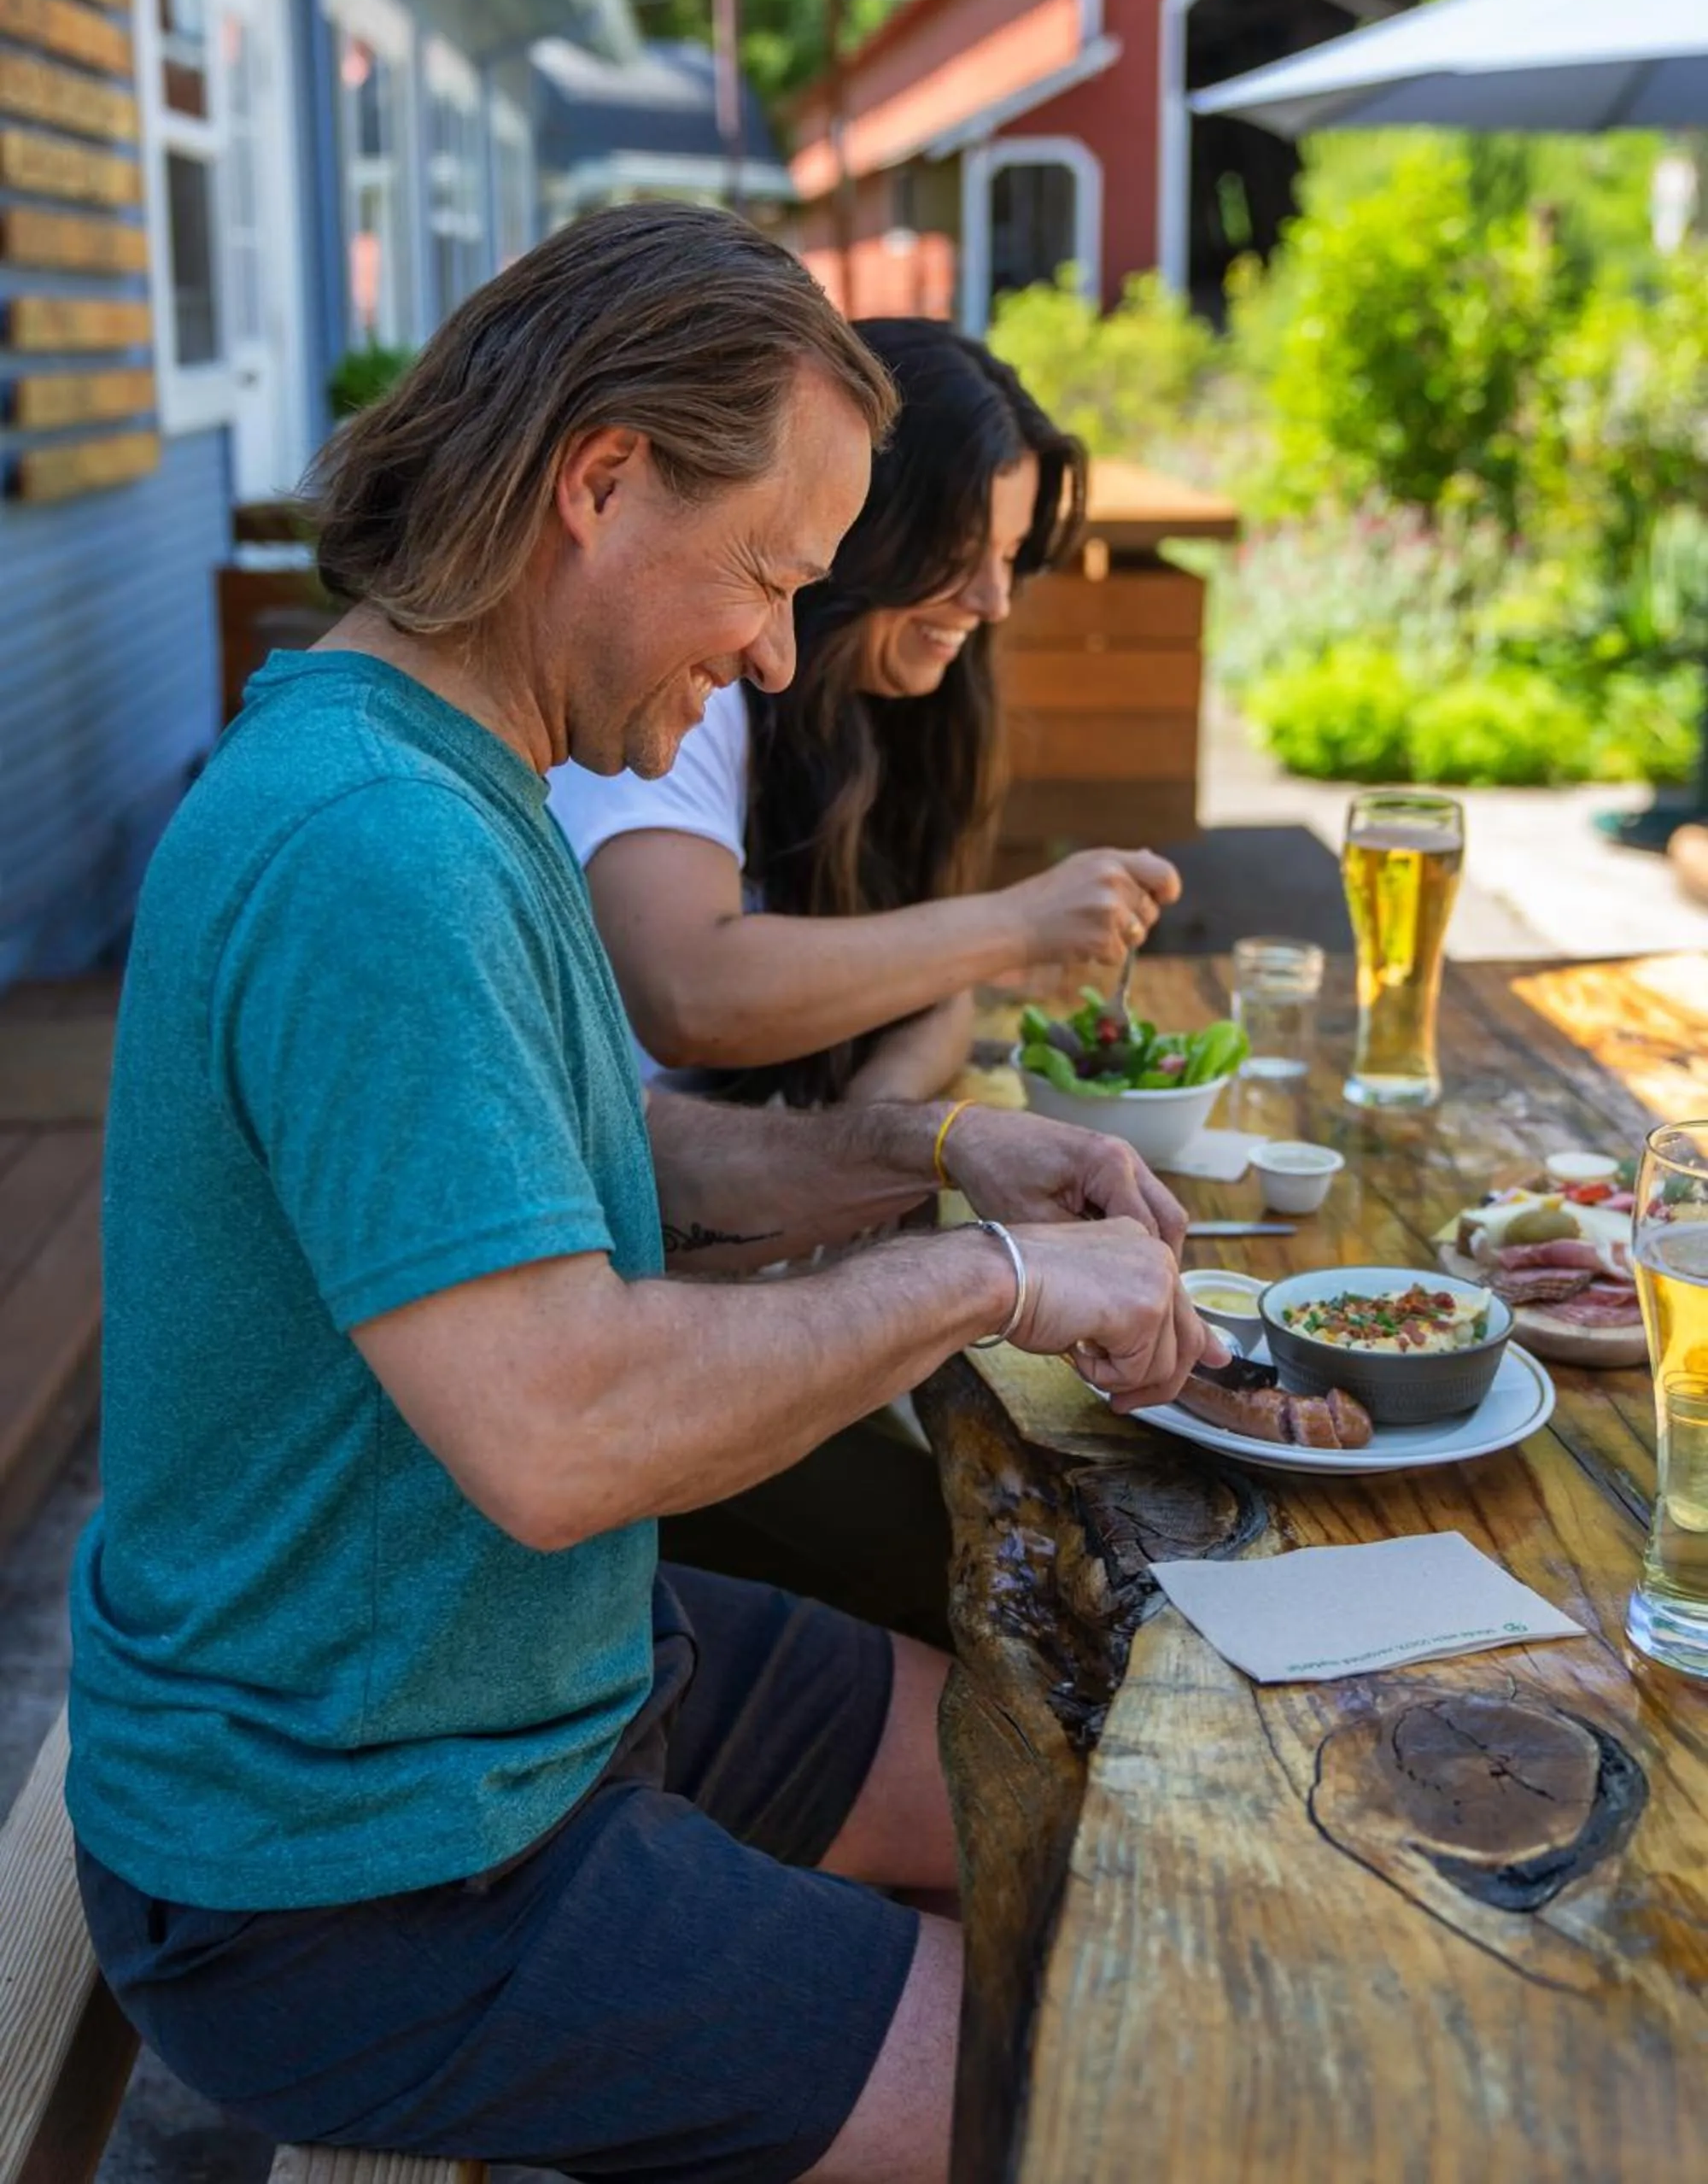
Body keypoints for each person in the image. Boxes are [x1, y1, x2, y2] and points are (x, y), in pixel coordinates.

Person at [67, 205, 1224, 2184]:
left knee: (1095, 1785)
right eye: (770, 575)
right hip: (357, 1868)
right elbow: (560, 1423)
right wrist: (991, 1275)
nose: (782, 648)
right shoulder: (378, 852)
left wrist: (936, 1145)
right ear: (598, 481)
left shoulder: (439, 771)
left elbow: (619, 1157)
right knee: (1108, 2078)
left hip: (527, 1679)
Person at [550, 317, 1182, 1111]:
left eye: (1010, 556)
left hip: (769, 1191)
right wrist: (1018, 924)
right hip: (646, 1193)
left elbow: (931, 988)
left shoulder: (902, 704)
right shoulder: (695, 686)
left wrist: (876, 1125)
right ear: (858, 525)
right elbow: (688, 997)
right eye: (959, 549)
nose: (991, 599)